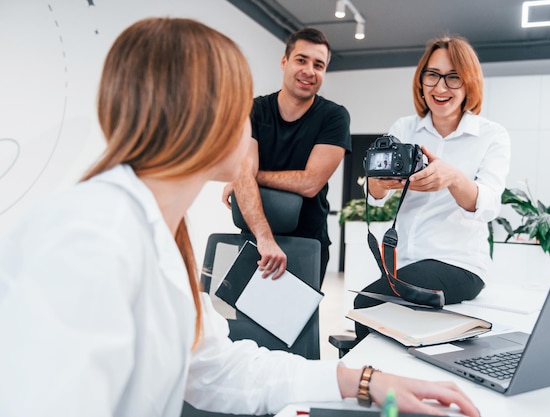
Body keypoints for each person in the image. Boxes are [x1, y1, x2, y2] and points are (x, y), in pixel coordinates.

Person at [0, 18, 480, 417]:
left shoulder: (163, 234)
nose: (249, 120)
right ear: (196, 113)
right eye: (238, 102)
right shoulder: (85, 239)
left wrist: (365, 381)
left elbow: (216, 368)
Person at [354, 35, 511, 339]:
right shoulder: (403, 129)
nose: (441, 87)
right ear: (421, 80)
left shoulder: (491, 135)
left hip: (459, 264)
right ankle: (382, 379)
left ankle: (369, 382)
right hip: (406, 265)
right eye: (433, 75)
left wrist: (452, 178)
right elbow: (376, 195)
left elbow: (489, 204)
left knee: (367, 305)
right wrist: (379, 182)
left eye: (453, 78)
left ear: (469, 83)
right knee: (378, 313)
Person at [222, 28, 351, 284]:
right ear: (285, 61)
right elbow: (243, 168)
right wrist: (265, 239)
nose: (309, 71)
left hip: (307, 242)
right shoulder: (254, 109)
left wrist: (248, 176)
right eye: (301, 60)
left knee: (295, 323)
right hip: (254, 237)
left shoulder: (333, 117)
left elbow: (311, 183)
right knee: (244, 323)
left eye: (319, 65)